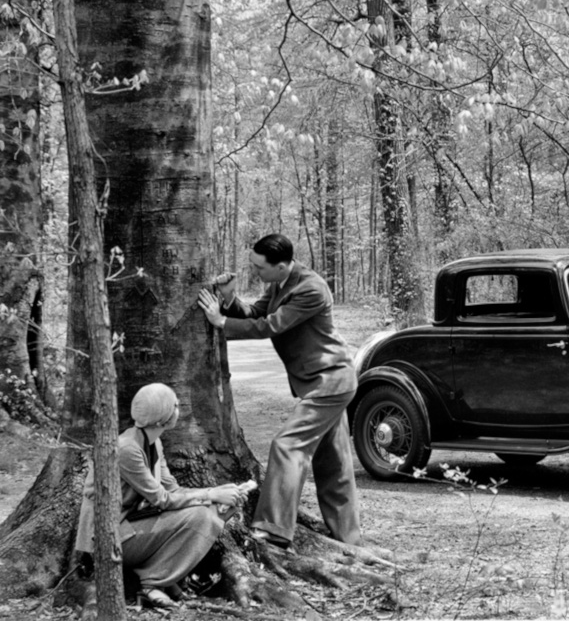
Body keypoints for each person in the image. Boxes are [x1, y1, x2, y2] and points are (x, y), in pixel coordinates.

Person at [197, 233, 360, 549]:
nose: (256, 273)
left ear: (282, 265)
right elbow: (257, 312)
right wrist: (230, 301)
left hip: (331, 381)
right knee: (334, 463)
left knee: (287, 445)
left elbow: (270, 325)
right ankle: (347, 539)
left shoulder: (311, 289)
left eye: (259, 268)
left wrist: (221, 322)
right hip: (317, 381)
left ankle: (273, 529)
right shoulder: (280, 284)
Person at [75, 383, 247, 609]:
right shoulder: (127, 449)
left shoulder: (153, 442)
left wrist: (221, 495)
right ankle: (153, 582)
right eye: (174, 405)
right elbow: (162, 500)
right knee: (202, 516)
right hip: (107, 538)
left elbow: (173, 491)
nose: (178, 409)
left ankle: (163, 578)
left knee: (218, 509)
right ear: (162, 417)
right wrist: (211, 493)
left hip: (128, 526)